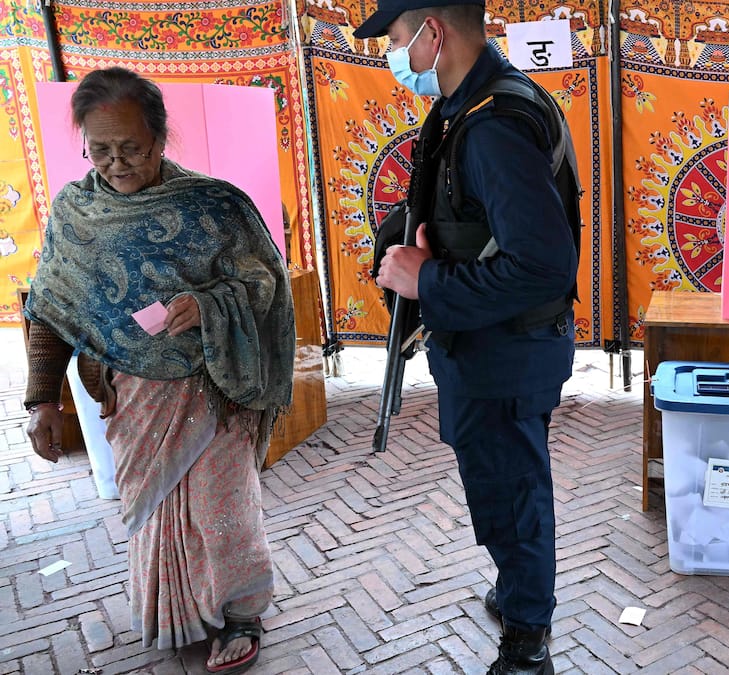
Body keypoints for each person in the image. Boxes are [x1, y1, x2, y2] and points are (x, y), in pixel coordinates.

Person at [23, 67, 294, 674]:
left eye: (132, 149)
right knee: (157, 513)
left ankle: (240, 615)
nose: (116, 164)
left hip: (216, 388)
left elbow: (265, 282)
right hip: (133, 400)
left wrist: (208, 305)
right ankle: (179, 614)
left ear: (161, 136)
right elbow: (52, 309)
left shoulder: (213, 206)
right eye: (101, 151)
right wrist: (41, 399)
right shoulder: (75, 215)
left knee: (221, 511)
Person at [356, 1, 579, 673]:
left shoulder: (492, 127)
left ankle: (528, 636)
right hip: (483, 346)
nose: (392, 55)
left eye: (396, 39)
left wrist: (428, 283)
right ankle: (518, 588)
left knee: (513, 492)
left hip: (506, 352)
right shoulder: (468, 105)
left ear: (433, 32)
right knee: (496, 482)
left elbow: (543, 265)